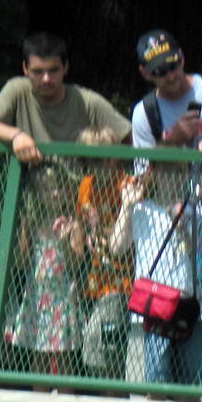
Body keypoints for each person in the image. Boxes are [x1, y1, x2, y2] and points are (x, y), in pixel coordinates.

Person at [110, 162, 202, 392]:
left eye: (178, 169)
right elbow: (117, 247)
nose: (171, 175)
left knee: (189, 387)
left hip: (189, 303)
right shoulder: (142, 209)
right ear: (153, 172)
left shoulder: (196, 208)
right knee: (156, 384)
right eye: (165, 169)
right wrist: (126, 207)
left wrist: (183, 226)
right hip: (156, 304)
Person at [0, 33, 130, 164]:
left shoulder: (88, 101)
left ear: (65, 67)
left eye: (53, 70)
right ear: (25, 69)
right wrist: (17, 136)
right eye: (37, 71)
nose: (46, 79)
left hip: (81, 189)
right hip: (28, 188)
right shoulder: (17, 90)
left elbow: (133, 139)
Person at [10, 162, 85, 382]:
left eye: (58, 187)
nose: (54, 193)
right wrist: (24, 232)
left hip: (61, 298)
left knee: (63, 359)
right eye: (45, 189)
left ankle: (65, 397)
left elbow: (76, 264)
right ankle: (39, 398)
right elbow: (21, 261)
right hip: (37, 297)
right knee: (39, 357)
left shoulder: (73, 223)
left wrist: (64, 241)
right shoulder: (33, 223)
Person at [74, 124, 137, 386]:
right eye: (98, 160)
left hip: (120, 280)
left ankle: (113, 397)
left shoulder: (127, 185)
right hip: (93, 279)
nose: (105, 165)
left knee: (103, 349)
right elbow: (81, 225)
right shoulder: (86, 186)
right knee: (95, 352)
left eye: (110, 158)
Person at [130, 29, 202, 150]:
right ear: (145, 73)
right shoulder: (144, 114)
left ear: (182, 58)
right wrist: (172, 140)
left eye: (173, 65)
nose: (171, 76)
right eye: (159, 71)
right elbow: (143, 162)